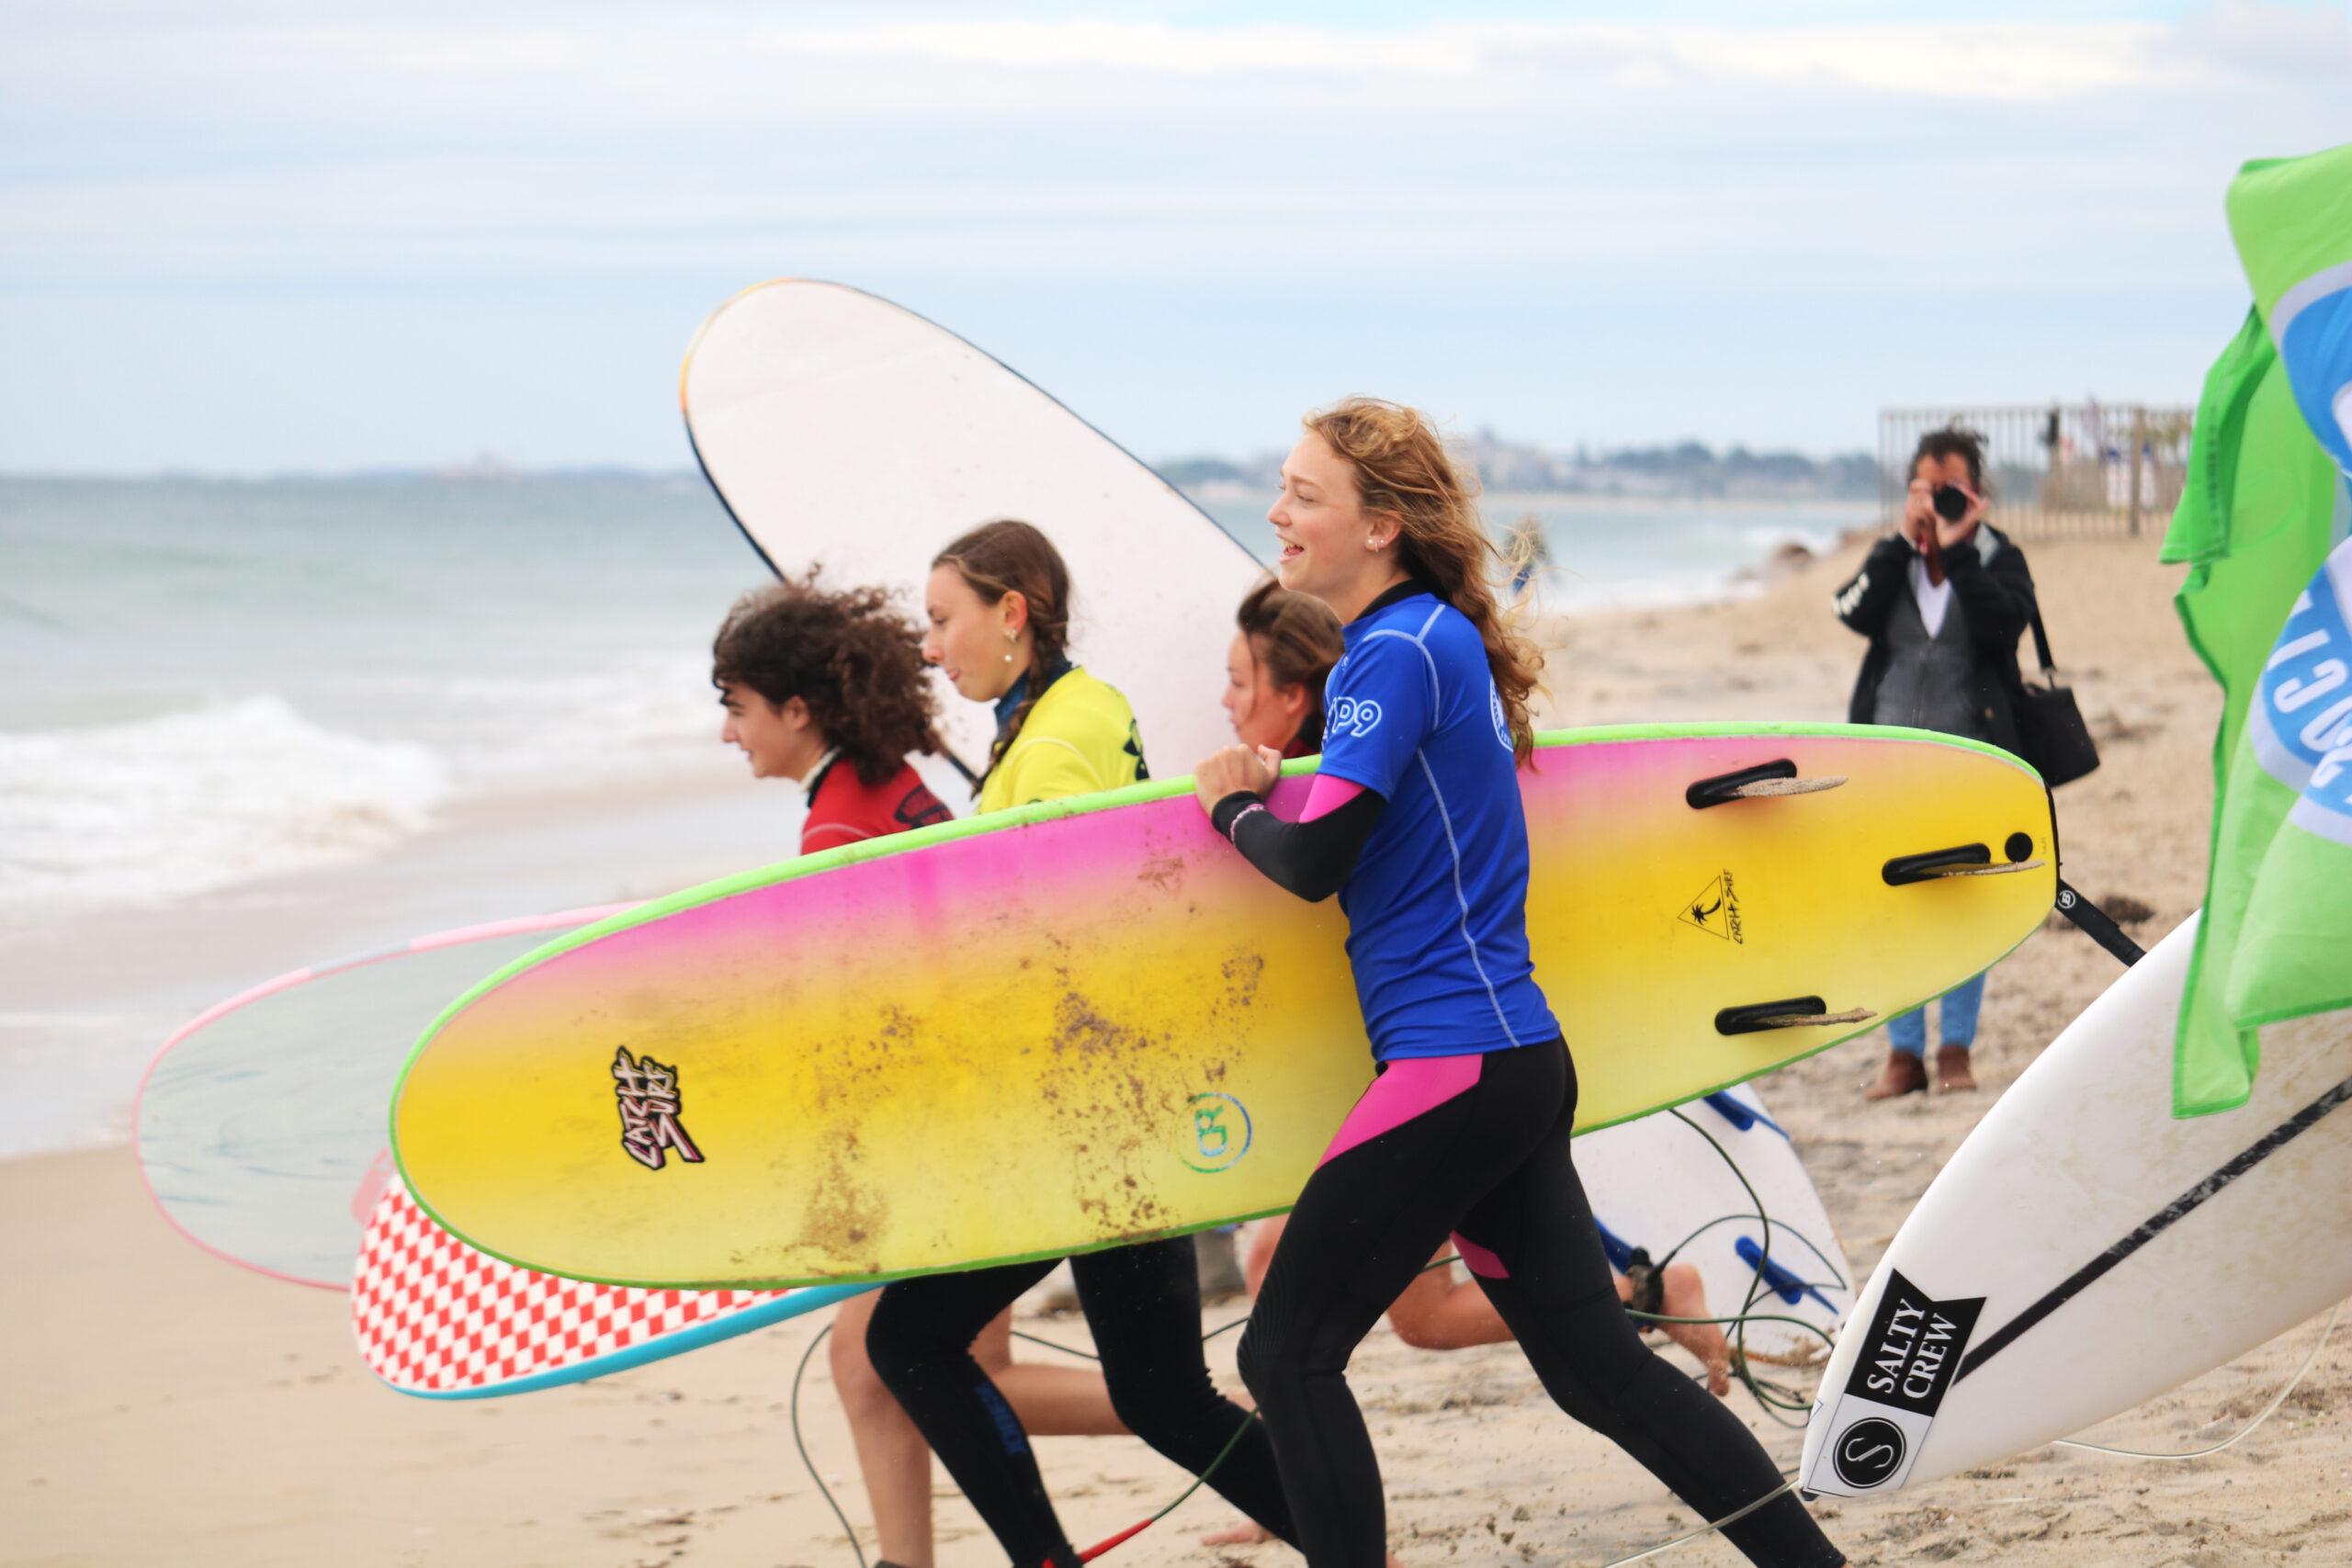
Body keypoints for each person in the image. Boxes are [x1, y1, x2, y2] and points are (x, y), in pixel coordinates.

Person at [1193, 398, 1845, 1568]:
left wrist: (1232, 805)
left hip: (1453, 1065)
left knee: (1282, 1354)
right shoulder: (1431, 639)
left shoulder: (1389, 653)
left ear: (1380, 526)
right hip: (1509, 1064)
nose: (1276, 511)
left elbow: (1315, 861)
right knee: (1600, 1376)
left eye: (1302, 494)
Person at [861, 520, 1301, 1568]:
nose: (930, 644)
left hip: (1083, 1119)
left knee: (908, 1340)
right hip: (1117, 1106)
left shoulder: (1054, 741)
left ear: (1012, 611)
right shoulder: (1076, 710)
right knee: (1161, 1394)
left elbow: (1064, 930)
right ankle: (1359, 1551)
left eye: (943, 618)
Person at [714, 575, 1130, 1568]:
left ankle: (1228, 1423)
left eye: (738, 708)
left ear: (797, 708)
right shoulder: (882, 781)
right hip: (982, 1108)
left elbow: (867, 1020)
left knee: (891, 1361)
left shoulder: (839, 826)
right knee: (903, 1366)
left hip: (954, 1132)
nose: (729, 732)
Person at [1832, 426, 2040, 1100]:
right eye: (1925, 487)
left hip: (1968, 764)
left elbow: (2005, 627)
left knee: (1962, 907)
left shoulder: (1998, 557)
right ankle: (1902, 1056)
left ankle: (1954, 1051)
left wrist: (1959, 551)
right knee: (1893, 908)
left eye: (1951, 489)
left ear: (1976, 494)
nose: (1937, 500)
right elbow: (1853, 611)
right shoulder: (1894, 556)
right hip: (1886, 763)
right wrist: (1903, 542)